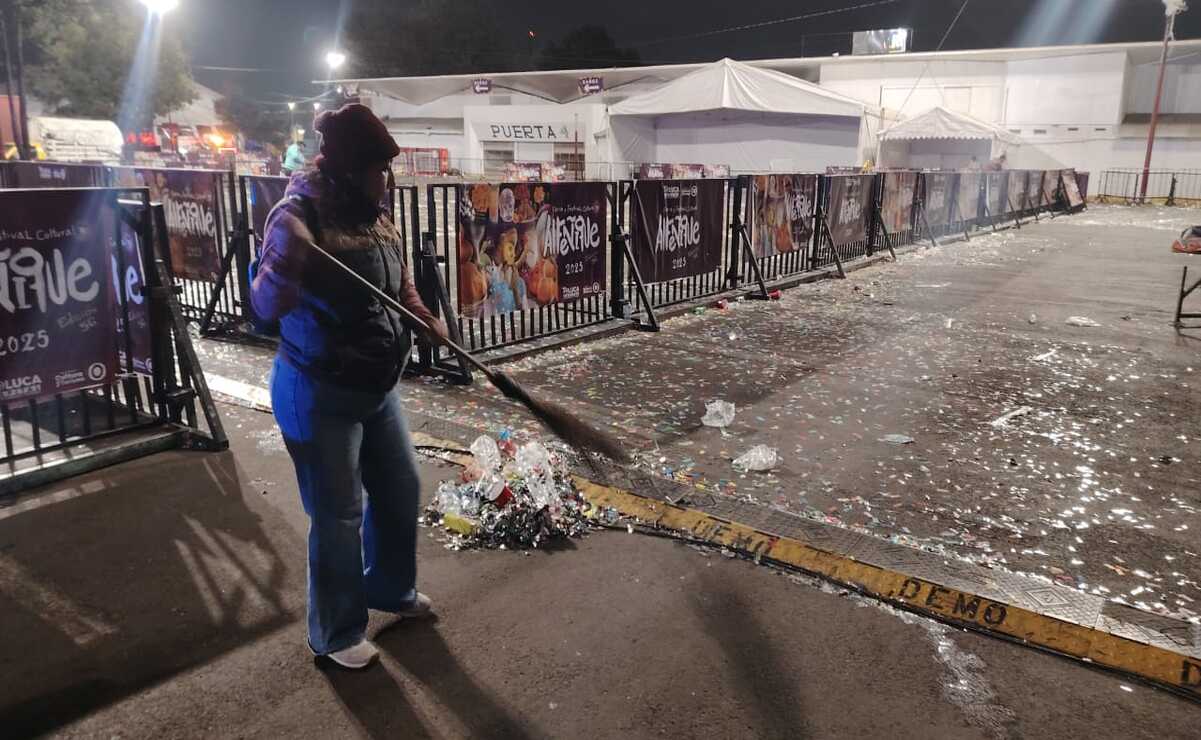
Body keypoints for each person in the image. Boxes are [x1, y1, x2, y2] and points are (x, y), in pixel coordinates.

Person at [251, 103, 449, 670]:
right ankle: (336, 632)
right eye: (378, 171)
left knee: (402, 485)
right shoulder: (295, 217)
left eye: (387, 172)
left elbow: (400, 280)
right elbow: (264, 307)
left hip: (377, 387)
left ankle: (388, 587)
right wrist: (282, 264)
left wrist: (424, 319)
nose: (386, 181)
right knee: (339, 513)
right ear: (347, 169)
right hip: (318, 390)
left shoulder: (374, 216)